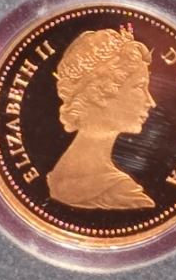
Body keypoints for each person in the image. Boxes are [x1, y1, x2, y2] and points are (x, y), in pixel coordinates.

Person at [46, 25, 155, 211]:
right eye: (139, 87)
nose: (151, 102)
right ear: (100, 92)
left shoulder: (58, 176)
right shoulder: (123, 193)